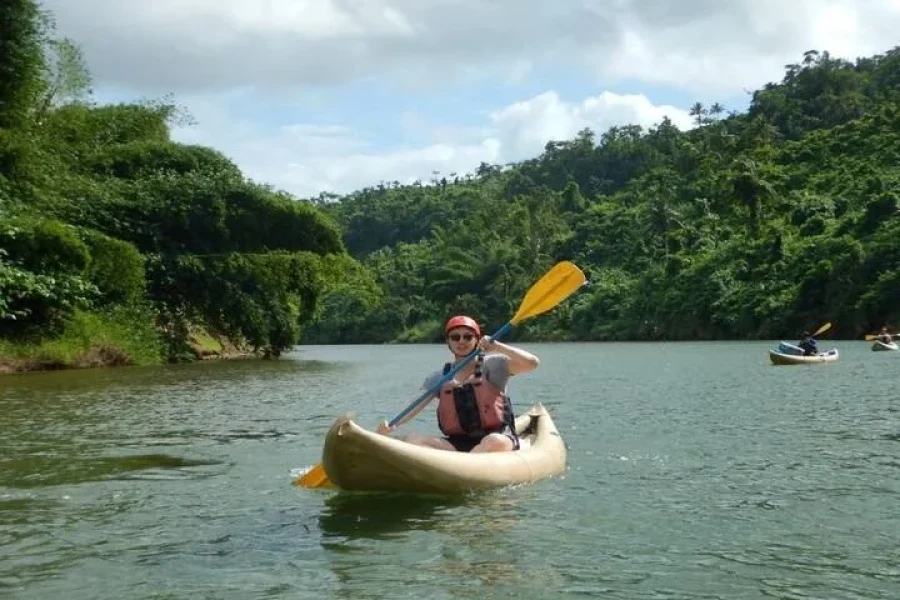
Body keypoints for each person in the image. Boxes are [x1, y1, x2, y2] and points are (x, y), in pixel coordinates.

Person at [376, 314, 540, 453]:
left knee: (494, 441)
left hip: (497, 437)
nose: (461, 341)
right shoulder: (440, 377)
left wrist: (498, 346)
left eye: (468, 337)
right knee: (413, 439)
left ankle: (467, 464)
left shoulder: (493, 365)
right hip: (457, 444)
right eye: (455, 337)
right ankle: (463, 462)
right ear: (448, 341)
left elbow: (532, 363)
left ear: (477, 340)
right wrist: (392, 425)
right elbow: (414, 405)